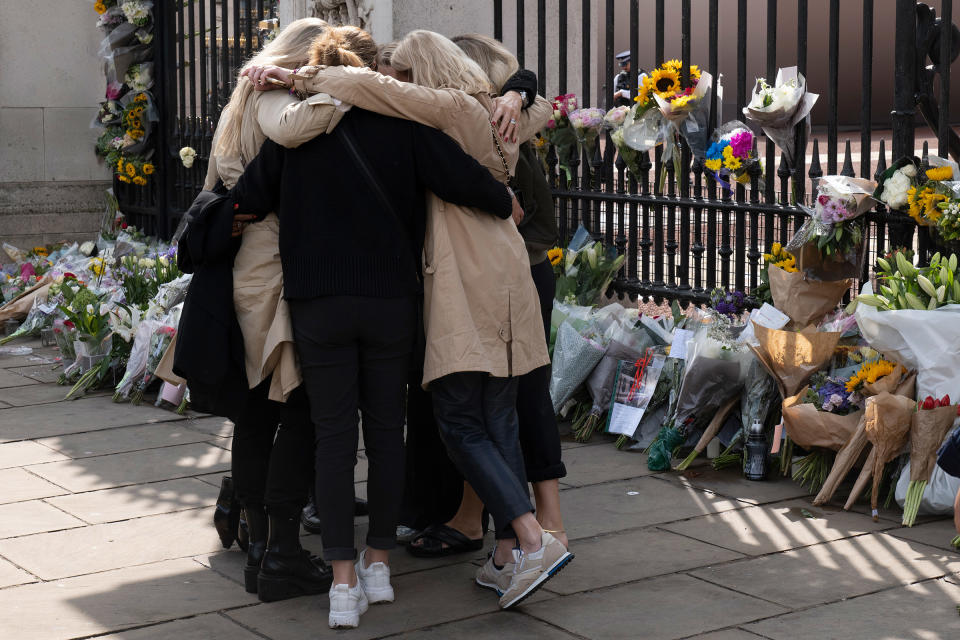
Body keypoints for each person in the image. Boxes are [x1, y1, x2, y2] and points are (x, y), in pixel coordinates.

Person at [250, 29, 573, 609]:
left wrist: (296, 77)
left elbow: (353, 90)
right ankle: (496, 554)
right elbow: (533, 114)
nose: (394, 82)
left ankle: (520, 540)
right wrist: (518, 94)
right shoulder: (489, 117)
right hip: (487, 277)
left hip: (435, 282)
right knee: (486, 417)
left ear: (419, 73)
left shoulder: (438, 110)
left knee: (441, 421)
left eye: (402, 72)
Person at [198, 16, 344, 603]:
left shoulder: (244, 95)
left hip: (249, 260)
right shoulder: (274, 95)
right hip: (267, 266)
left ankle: (257, 534)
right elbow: (291, 134)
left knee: (259, 410)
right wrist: (341, 87)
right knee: (282, 402)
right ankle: (269, 546)